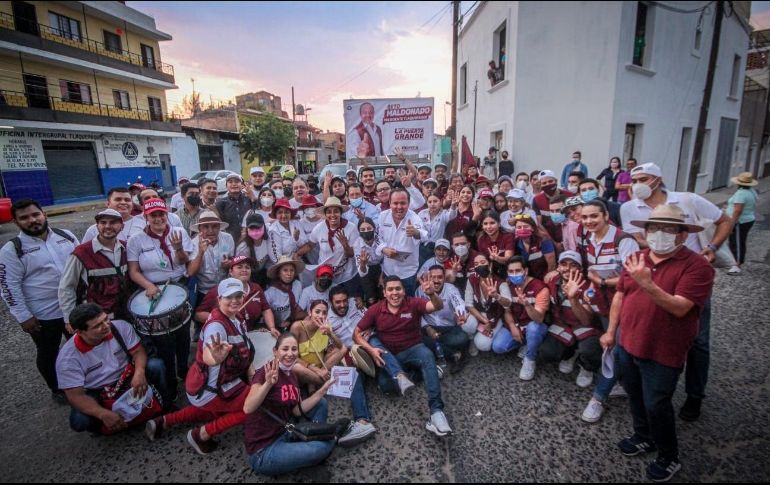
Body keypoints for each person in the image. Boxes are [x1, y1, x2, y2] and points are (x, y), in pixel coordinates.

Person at [601, 204, 715, 482]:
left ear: (681, 235)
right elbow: (620, 295)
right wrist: (611, 331)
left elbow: (680, 308)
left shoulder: (697, 266)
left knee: (657, 403)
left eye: (668, 228)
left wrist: (648, 283)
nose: (659, 233)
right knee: (635, 395)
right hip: (628, 342)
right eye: (653, 227)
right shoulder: (637, 258)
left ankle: (668, 455)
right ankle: (643, 436)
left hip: (663, 350)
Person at [620, 162, 732, 422]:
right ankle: (654, 387)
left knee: (697, 341)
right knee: (650, 330)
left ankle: (695, 395)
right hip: (652, 271)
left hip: (688, 276)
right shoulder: (628, 208)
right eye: (633, 179)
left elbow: (724, 220)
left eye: (643, 178)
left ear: (658, 180)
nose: (637, 184)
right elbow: (640, 240)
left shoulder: (688, 200)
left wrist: (712, 248)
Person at [146, 278, 258, 455]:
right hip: (212, 387)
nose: (235, 300)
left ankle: (164, 421)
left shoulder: (234, 318)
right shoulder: (217, 326)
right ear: (219, 299)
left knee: (214, 410)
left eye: (238, 296)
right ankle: (202, 434)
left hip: (210, 382)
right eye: (229, 297)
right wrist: (213, 357)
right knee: (255, 406)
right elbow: (209, 354)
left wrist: (252, 375)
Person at [0, 199, 79, 403]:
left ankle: (82, 381)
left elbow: (82, 264)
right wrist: (24, 316)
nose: (32, 220)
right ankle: (57, 388)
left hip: (73, 308)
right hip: (44, 314)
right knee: (48, 353)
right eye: (24, 218)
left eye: (35, 214)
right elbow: (8, 287)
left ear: (44, 214)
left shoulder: (66, 236)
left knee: (80, 346)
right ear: (16, 223)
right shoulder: (12, 250)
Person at [353, 275, 453, 437]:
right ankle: (418, 373)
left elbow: (436, 306)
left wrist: (432, 294)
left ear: (403, 290)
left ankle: (436, 413)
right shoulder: (376, 309)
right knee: (387, 387)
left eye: (398, 289)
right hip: (389, 356)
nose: (395, 293)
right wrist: (371, 350)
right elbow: (356, 334)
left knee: (427, 355)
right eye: (390, 289)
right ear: (384, 293)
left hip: (413, 349)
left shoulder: (413, 303)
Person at [57, 303, 168, 433]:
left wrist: (139, 372)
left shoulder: (120, 327)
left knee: (156, 365)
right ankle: (104, 425)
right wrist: (102, 414)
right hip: (97, 389)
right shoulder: (67, 359)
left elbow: (138, 352)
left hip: (126, 375)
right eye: (98, 325)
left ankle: (165, 406)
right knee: (79, 421)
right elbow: (76, 396)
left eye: (105, 319)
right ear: (80, 332)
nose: (106, 325)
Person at [577, 199, 639, 423]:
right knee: (609, 347)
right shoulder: (590, 239)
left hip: (625, 304)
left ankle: (598, 398)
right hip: (604, 303)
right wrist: (592, 290)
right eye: (584, 217)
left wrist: (601, 283)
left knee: (615, 349)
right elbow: (594, 272)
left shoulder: (624, 240)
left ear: (605, 216)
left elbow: (631, 278)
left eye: (594, 216)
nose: (589, 221)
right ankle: (621, 383)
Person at [244, 334, 342, 476]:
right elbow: (248, 408)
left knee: (320, 403)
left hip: (285, 432)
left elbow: (296, 411)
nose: (290, 354)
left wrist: (322, 390)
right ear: (275, 351)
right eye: (285, 349)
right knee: (319, 449)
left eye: (294, 349)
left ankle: (318, 439)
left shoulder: (292, 376)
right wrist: (268, 384)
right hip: (264, 450)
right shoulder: (266, 371)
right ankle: (332, 436)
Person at [127, 198, 194, 400]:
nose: (158, 219)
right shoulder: (136, 240)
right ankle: (170, 383)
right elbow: (133, 271)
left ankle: (184, 370)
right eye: (153, 215)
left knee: (183, 335)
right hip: (153, 290)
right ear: (146, 217)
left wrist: (178, 248)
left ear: (167, 215)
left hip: (178, 286)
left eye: (161, 214)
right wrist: (148, 285)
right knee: (163, 340)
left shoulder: (179, 232)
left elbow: (185, 261)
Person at [59, 209, 130, 328]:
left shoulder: (127, 247)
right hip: (96, 320)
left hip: (125, 314)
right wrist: (69, 318)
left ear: (122, 226)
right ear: (97, 226)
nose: (108, 226)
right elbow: (67, 287)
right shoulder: (81, 253)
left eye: (113, 222)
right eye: (103, 222)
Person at [539, 252, 600, 388]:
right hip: (562, 324)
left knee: (590, 349)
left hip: (582, 326)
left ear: (580, 269)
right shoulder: (552, 281)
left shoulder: (588, 286)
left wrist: (573, 299)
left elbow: (586, 320)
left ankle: (586, 367)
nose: (567, 268)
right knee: (547, 353)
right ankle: (571, 354)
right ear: (558, 267)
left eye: (573, 265)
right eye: (563, 264)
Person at [496, 258, 550, 380]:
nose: (514, 274)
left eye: (518, 270)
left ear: (525, 271)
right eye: (511, 271)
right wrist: (512, 326)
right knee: (498, 347)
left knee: (534, 329)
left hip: (533, 325)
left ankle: (530, 358)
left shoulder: (540, 288)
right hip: (517, 324)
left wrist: (526, 304)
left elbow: (539, 318)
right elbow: (507, 311)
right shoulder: (508, 286)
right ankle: (526, 344)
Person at [195, 256, 278, 334]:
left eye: (247, 267)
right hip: (226, 336)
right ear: (231, 272)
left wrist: (272, 327)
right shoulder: (219, 290)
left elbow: (266, 309)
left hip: (249, 335)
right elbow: (198, 314)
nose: (244, 270)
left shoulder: (256, 288)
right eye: (239, 267)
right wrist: (221, 319)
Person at [417, 265, 473, 374]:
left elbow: (458, 302)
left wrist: (460, 314)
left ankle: (436, 348)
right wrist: (427, 328)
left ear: (444, 278)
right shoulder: (420, 290)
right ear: (428, 277)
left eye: (440, 277)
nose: (436, 281)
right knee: (416, 338)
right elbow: (417, 313)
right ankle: (455, 354)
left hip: (448, 328)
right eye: (433, 277)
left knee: (462, 338)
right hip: (429, 327)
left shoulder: (451, 289)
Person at [301, 197, 361, 295]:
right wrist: (297, 254)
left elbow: (351, 254)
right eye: (329, 212)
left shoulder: (351, 228)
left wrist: (345, 245)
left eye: (336, 211)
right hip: (326, 274)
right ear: (325, 214)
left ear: (341, 213)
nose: (332, 215)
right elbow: (310, 245)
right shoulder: (319, 228)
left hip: (347, 275)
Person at [376, 188, 427, 296]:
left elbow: (423, 236)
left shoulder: (414, 218)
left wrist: (415, 232)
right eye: (395, 203)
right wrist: (383, 249)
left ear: (408, 203)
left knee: (407, 304)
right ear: (389, 203)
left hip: (408, 273)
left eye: (403, 203)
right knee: (390, 301)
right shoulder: (382, 216)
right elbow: (377, 237)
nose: (399, 207)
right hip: (388, 270)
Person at [188, 211, 235, 306]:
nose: (211, 230)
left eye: (214, 226)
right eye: (206, 227)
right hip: (204, 291)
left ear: (219, 228)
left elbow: (233, 260)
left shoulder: (228, 238)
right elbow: (191, 272)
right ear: (199, 229)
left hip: (225, 287)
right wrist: (200, 253)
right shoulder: (193, 243)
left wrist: (229, 264)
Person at [462, 253, 507, 354]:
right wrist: (484, 321)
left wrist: (497, 296)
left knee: (482, 344)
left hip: (495, 316)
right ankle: (472, 338)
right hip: (479, 315)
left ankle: (485, 333)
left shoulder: (500, 282)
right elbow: (468, 304)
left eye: (482, 262)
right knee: (467, 323)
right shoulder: (472, 279)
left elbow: (508, 303)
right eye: (476, 264)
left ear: (490, 265)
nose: (479, 266)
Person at [725, 172, 759, 274]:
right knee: (738, 241)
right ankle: (734, 261)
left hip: (740, 221)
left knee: (737, 242)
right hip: (748, 219)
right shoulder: (751, 191)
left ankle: (736, 265)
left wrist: (732, 224)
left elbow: (738, 210)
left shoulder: (741, 194)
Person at [264, 256, 307, 331]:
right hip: (276, 327)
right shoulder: (269, 293)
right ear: (278, 273)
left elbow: (299, 307)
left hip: (294, 323)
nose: (289, 273)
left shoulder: (297, 285)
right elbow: (265, 313)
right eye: (285, 270)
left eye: (292, 270)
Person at [418, 192, 459, 265]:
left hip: (436, 247)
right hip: (422, 246)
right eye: (430, 202)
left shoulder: (444, 213)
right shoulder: (422, 213)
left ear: (440, 202)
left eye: (435, 201)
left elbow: (452, 215)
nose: (432, 204)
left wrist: (453, 206)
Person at [513, 215, 556, 281]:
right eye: (519, 227)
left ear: (533, 228)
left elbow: (552, 265)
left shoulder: (543, 240)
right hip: (526, 278)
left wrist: (547, 278)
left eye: (526, 226)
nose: (522, 229)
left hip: (545, 277)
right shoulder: (515, 243)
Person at [216, 173, 254, 242]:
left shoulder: (248, 200)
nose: (234, 184)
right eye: (230, 182)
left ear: (242, 185)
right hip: (229, 241)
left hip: (249, 239)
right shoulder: (221, 203)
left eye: (237, 182)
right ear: (226, 186)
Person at [267, 199, 308, 264]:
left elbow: (305, 244)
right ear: (276, 214)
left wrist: (297, 239)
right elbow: (276, 258)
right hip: (283, 265)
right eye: (280, 212)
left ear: (290, 213)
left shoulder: (296, 223)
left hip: (298, 260)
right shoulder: (273, 230)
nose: (283, 215)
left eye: (286, 212)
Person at [354, 217, 383, 306]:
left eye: (369, 228)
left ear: (374, 228)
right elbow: (362, 273)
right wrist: (363, 264)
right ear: (359, 231)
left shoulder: (380, 239)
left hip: (382, 269)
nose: (366, 231)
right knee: (371, 299)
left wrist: (382, 276)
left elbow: (387, 260)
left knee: (383, 295)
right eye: (362, 229)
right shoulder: (357, 245)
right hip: (367, 271)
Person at [477, 211, 514, 277]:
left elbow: (509, 259)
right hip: (492, 272)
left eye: (492, 223)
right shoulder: (481, 239)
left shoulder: (508, 236)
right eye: (485, 224)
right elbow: (483, 260)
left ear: (499, 224)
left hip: (510, 270)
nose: (488, 227)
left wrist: (497, 258)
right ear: (482, 226)